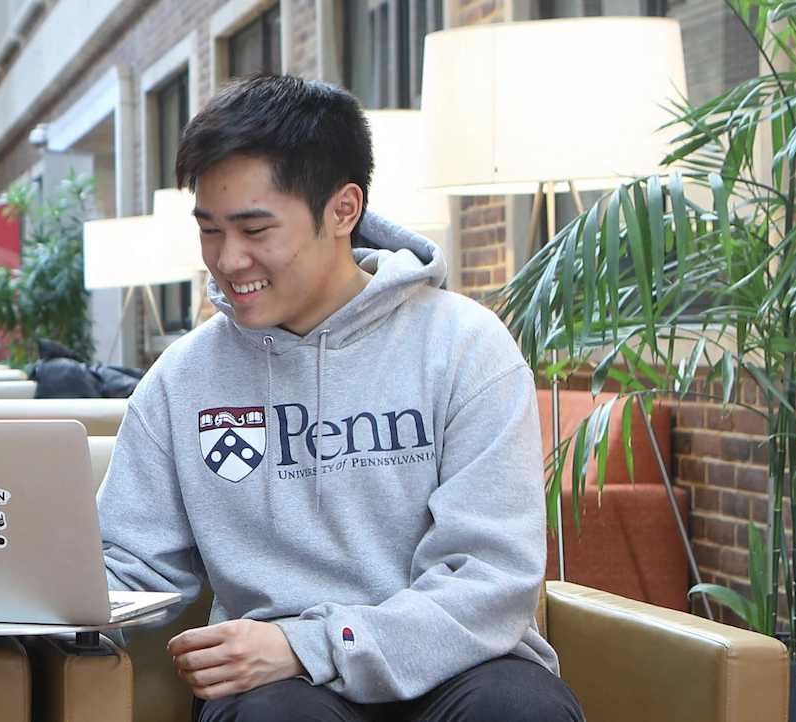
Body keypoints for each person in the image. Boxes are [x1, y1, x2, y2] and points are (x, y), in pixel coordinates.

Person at [94, 75, 580, 722]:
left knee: (520, 710)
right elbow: (127, 567)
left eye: (255, 229)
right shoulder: (183, 380)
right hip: (277, 689)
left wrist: (314, 643)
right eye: (210, 231)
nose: (228, 259)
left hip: (460, 668)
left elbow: (487, 580)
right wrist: (15, 608)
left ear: (343, 210)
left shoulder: (464, 346)